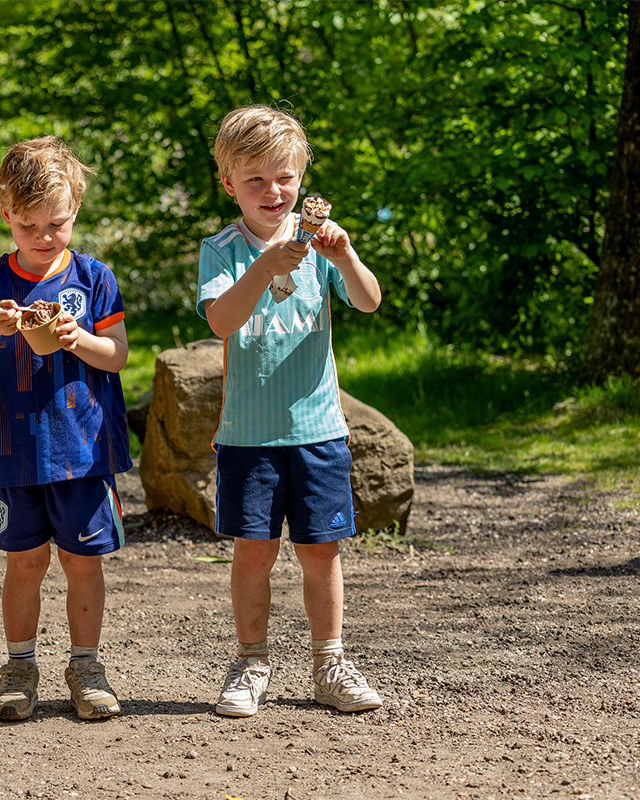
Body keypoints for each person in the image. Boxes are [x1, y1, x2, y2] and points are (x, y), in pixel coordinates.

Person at [196, 104, 384, 716]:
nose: (273, 192)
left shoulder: (320, 243)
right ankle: (250, 662)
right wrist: (264, 267)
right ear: (229, 185)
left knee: (321, 550)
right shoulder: (220, 249)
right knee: (254, 551)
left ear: (302, 178)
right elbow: (222, 320)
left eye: (285, 178)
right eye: (255, 180)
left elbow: (369, 301)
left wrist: (346, 256)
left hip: (318, 430)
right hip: (247, 435)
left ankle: (329, 662)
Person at [0, 136, 132, 721]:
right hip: (12, 451)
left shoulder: (95, 278)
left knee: (82, 561)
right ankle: (19, 667)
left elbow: (118, 355)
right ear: (6, 214)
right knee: (24, 562)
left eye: (57, 223)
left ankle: (86, 666)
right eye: (29, 225)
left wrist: (82, 338)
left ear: (76, 209)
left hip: (83, 450)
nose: (44, 236)